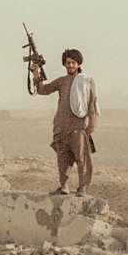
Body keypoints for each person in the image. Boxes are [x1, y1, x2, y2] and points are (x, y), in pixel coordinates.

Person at [35, 48, 98, 195]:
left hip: (78, 126)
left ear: (78, 64)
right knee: (62, 160)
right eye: (67, 63)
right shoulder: (61, 81)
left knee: (82, 158)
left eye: (73, 63)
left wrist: (92, 124)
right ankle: (63, 186)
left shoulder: (86, 81)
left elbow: (92, 103)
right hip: (61, 127)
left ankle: (82, 187)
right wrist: (35, 73)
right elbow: (43, 90)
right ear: (64, 64)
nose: (70, 65)